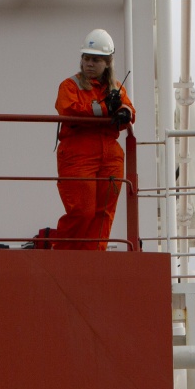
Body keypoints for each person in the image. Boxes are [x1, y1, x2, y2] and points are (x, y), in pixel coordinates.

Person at [49, 29, 136, 250]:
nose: (89, 63)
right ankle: (62, 256)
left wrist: (124, 111)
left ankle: (94, 259)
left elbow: (129, 110)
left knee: (104, 213)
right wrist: (110, 108)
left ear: (107, 62)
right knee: (82, 210)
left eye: (95, 59)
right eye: (86, 58)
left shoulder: (116, 88)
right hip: (78, 152)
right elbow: (70, 109)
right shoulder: (70, 86)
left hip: (110, 153)